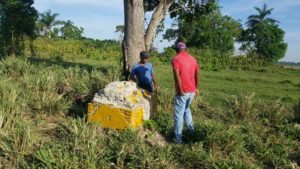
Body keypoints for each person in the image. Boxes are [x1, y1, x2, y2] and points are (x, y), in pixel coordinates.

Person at [171, 42, 200, 144]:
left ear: (176, 49)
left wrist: (179, 89)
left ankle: (178, 139)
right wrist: (196, 88)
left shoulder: (175, 59)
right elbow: (197, 74)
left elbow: (176, 75)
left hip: (183, 92)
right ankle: (192, 133)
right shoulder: (193, 59)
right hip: (192, 91)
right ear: (185, 49)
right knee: (186, 110)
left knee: (178, 115)